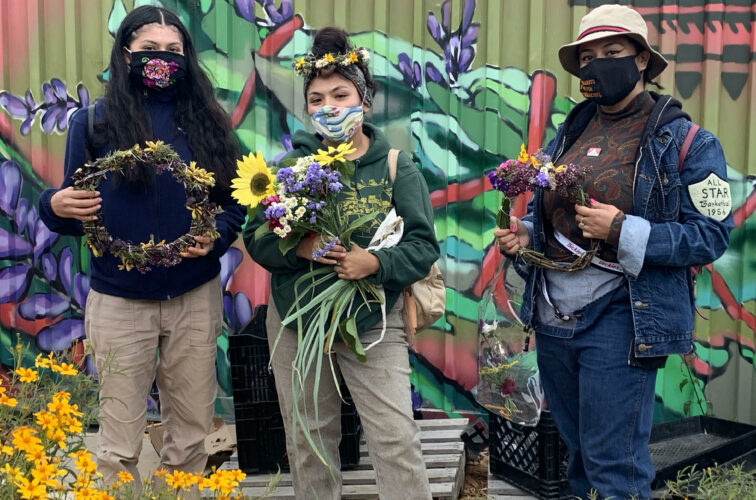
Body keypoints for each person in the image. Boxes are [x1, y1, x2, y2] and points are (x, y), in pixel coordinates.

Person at [494, 5, 731, 499]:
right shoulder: (569, 135)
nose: (597, 64)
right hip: (553, 316)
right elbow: (550, 219)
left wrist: (624, 229)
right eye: (588, 56)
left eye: (613, 53)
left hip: (621, 317)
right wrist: (524, 235)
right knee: (579, 460)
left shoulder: (688, 142)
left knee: (614, 468)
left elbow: (709, 236)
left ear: (642, 59)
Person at [38, 5, 246, 486]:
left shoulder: (210, 124)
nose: (162, 59)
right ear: (126, 52)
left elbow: (235, 203)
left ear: (187, 57)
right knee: (115, 445)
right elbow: (75, 215)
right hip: (118, 302)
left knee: (191, 437)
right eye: (149, 49)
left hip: (193, 299)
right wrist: (54, 205)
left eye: (173, 50)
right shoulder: (93, 124)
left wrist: (218, 238)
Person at [243, 26, 438, 500]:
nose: (328, 107)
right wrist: (301, 247)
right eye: (316, 99)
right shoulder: (293, 168)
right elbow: (256, 237)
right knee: (309, 443)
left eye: (340, 94)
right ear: (306, 108)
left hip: (374, 323)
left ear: (364, 100)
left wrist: (374, 262)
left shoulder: (396, 165)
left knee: (395, 440)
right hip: (297, 324)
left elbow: (422, 246)